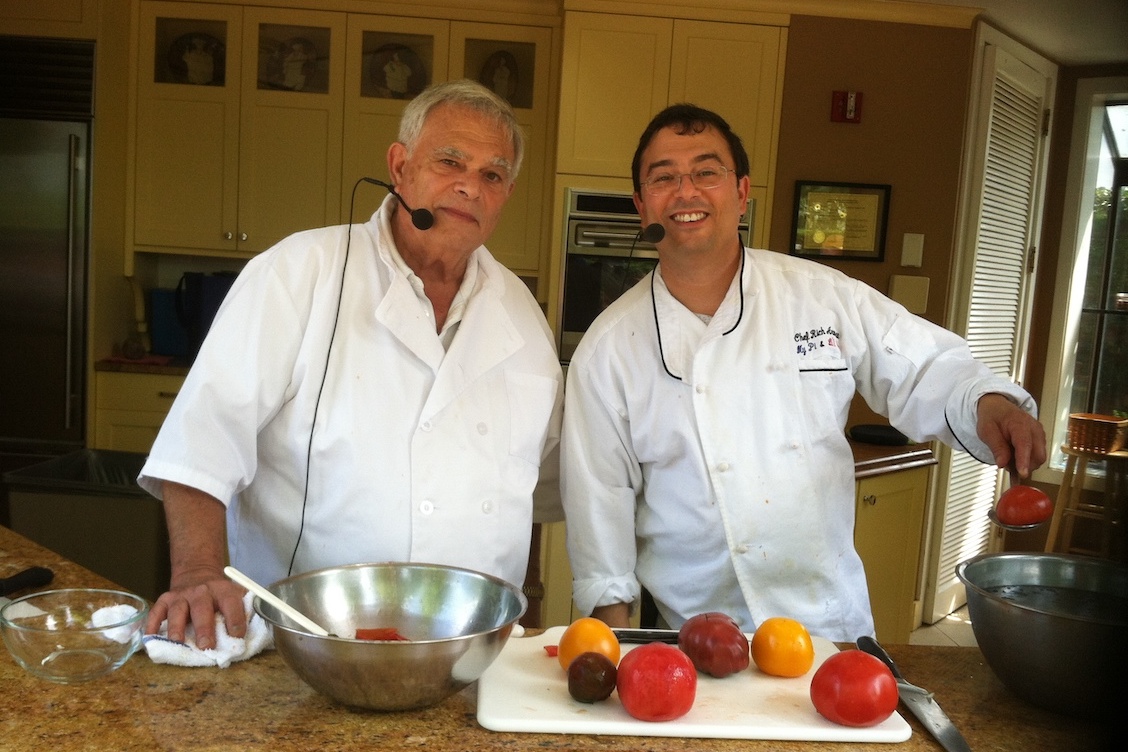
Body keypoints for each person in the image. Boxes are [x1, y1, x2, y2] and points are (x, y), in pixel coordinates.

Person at [560, 104, 1047, 642]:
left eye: (706, 171)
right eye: (664, 177)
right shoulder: (607, 349)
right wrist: (615, 645)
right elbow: (599, 504)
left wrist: (988, 402)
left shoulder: (821, 295)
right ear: (640, 204)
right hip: (693, 637)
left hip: (827, 625)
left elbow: (923, 364)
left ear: (742, 192)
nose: (686, 191)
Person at [140, 79, 563, 649]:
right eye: (450, 161)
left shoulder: (523, 319)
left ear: (507, 193)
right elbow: (201, 444)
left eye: (493, 174)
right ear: (400, 166)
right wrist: (197, 573)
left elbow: (536, 487)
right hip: (302, 645)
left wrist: (528, 598)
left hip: (474, 655)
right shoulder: (299, 272)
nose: (470, 187)